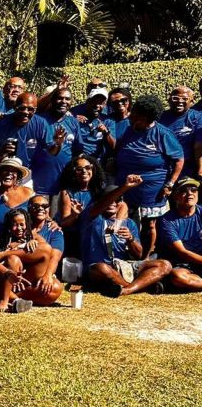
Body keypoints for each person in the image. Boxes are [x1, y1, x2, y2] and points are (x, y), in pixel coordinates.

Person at [114, 95, 184, 259]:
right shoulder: (128, 128)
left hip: (152, 189)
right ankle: (124, 253)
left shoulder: (162, 134)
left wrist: (170, 184)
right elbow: (118, 148)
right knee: (121, 218)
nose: (130, 115)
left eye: (135, 113)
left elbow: (179, 160)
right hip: (126, 186)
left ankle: (145, 257)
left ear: (144, 117)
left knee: (149, 224)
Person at [81, 175, 172, 297]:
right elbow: (102, 206)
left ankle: (126, 290)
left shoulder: (129, 223)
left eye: (117, 200)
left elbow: (138, 255)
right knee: (101, 268)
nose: (113, 203)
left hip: (124, 266)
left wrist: (131, 239)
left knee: (165, 265)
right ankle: (141, 286)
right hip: (101, 268)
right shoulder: (93, 218)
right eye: (110, 199)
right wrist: (125, 186)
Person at [0, 208, 61, 311]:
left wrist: (48, 275)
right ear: (8, 226)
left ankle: (17, 300)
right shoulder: (1, 239)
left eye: (22, 224)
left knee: (56, 288)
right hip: (6, 281)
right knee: (12, 259)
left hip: (28, 281)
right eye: (14, 225)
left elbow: (48, 252)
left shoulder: (34, 237)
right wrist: (4, 261)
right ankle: (7, 300)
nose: (19, 228)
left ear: (27, 224)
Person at [0, 92, 56, 179]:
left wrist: (57, 143)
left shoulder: (40, 124)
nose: (26, 112)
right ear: (15, 107)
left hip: (26, 173)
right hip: (0, 174)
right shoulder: (0, 124)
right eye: (22, 108)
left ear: (35, 110)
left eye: (30, 109)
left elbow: (51, 153)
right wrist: (1, 153)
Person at [56, 154, 117, 258]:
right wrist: (75, 214)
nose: (84, 171)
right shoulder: (67, 193)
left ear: (93, 170)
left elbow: (123, 205)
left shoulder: (100, 190)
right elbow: (64, 223)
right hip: (74, 237)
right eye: (79, 169)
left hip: (96, 235)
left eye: (88, 168)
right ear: (73, 173)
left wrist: (117, 223)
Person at [156, 177, 202, 291]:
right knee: (178, 277)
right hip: (182, 263)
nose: (189, 194)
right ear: (175, 196)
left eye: (193, 190)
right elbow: (182, 252)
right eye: (183, 191)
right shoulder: (166, 220)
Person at [35, 88, 82, 198]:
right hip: (40, 183)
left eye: (67, 99)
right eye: (60, 98)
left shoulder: (73, 122)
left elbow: (78, 150)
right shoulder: (39, 120)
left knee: (58, 215)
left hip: (63, 184)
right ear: (52, 100)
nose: (63, 101)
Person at [0, 157, 36, 239]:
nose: (8, 173)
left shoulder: (29, 193)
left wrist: (51, 222)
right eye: (5, 170)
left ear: (18, 176)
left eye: (13, 171)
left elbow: (41, 214)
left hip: (23, 239)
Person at [157, 86, 202, 179]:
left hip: (187, 170)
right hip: (162, 168)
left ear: (192, 101)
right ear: (169, 100)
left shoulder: (198, 118)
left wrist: (200, 168)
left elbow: (199, 147)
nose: (180, 101)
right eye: (175, 98)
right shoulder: (159, 118)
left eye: (185, 99)